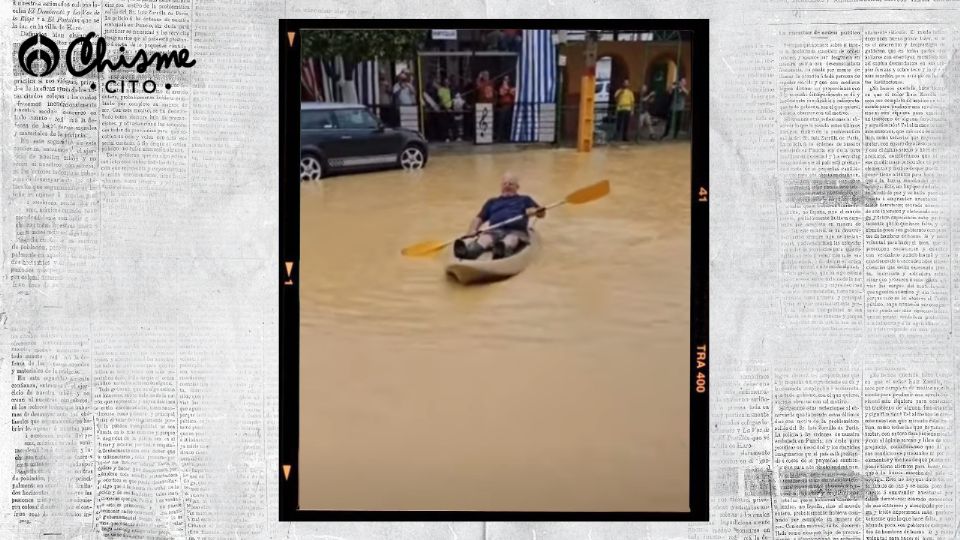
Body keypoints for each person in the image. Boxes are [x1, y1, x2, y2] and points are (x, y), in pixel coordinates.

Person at [454, 172, 547, 260]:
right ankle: (468, 252)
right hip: (495, 231)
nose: (507, 186)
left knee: (510, 239)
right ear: (501, 186)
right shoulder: (492, 202)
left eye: (510, 184)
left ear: (517, 187)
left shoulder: (525, 199)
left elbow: (541, 214)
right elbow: (478, 218)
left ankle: (501, 250)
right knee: (485, 239)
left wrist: (536, 211)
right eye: (505, 184)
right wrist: (472, 230)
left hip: (516, 231)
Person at [496, 75, 516, 142]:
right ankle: (499, 137)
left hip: (510, 106)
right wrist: (508, 90)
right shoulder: (501, 87)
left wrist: (508, 90)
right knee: (501, 122)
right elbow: (501, 93)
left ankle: (507, 137)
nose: (506, 80)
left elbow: (513, 93)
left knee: (508, 122)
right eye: (505, 79)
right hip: (503, 106)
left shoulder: (510, 87)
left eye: (507, 79)